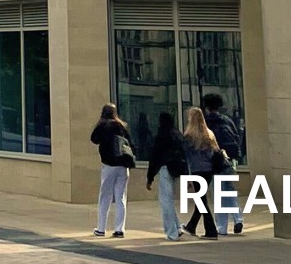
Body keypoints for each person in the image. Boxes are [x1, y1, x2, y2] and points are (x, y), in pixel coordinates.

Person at [89, 102, 135, 237]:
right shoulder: (121, 126)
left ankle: (101, 228)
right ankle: (119, 229)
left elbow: (94, 139)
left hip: (109, 165)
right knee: (121, 197)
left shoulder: (103, 126)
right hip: (123, 165)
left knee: (105, 197)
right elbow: (131, 144)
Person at [203, 93, 243, 234]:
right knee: (229, 190)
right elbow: (237, 138)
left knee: (218, 194)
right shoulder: (227, 120)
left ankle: (222, 227)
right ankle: (238, 219)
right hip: (229, 160)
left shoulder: (207, 123)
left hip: (215, 161)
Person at [145, 111, 187, 240]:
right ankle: (177, 227)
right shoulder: (178, 135)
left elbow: (154, 157)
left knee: (166, 201)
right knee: (169, 200)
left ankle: (172, 232)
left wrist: (150, 177)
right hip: (177, 169)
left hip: (165, 168)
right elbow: (185, 154)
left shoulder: (161, 135)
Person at [181, 106, 221, 238]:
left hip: (197, 170)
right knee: (201, 199)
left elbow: (186, 157)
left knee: (201, 201)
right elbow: (215, 151)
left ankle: (211, 230)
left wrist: (187, 176)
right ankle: (191, 226)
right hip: (208, 170)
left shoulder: (189, 136)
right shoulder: (209, 134)